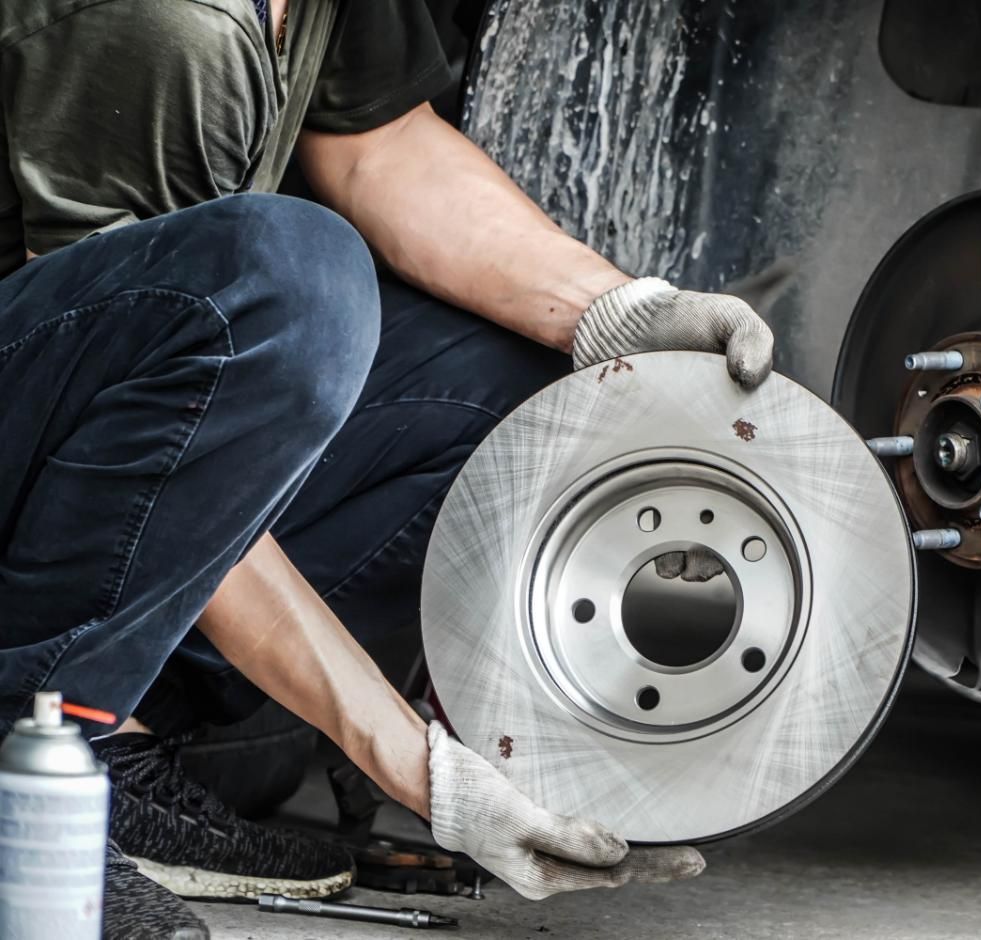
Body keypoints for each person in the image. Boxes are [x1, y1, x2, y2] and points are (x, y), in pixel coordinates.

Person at [0, 1, 774, 936]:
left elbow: (376, 143)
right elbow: (154, 436)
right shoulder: (159, 25)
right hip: (37, 424)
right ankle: (39, 767)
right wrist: (418, 768)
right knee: (289, 276)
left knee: (514, 389)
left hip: (91, 440)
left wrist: (618, 315)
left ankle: (136, 739)